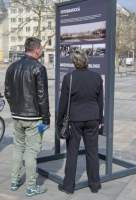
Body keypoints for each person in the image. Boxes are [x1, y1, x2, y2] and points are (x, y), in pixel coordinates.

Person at [5, 37, 50, 197]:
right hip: (33, 117)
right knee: (31, 153)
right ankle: (31, 187)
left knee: (18, 148)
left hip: (17, 116)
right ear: (37, 49)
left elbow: (8, 92)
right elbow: (42, 96)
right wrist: (46, 119)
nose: (42, 51)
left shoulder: (12, 67)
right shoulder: (39, 68)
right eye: (42, 48)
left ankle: (14, 181)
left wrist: (15, 109)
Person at [57, 49, 103, 194]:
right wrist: (100, 120)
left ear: (74, 62)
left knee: (72, 152)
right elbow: (100, 101)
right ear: (86, 61)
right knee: (92, 152)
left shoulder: (69, 78)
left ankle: (69, 186)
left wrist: (59, 121)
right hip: (92, 118)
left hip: (74, 119)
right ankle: (95, 184)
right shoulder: (96, 77)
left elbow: (63, 102)